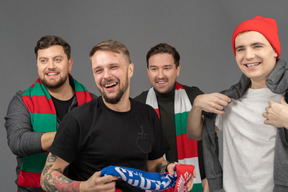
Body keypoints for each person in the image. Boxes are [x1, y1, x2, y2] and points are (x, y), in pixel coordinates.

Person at [40, 40, 194, 192]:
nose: (106, 76)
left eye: (113, 67)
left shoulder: (148, 115)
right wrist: (84, 187)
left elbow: (154, 164)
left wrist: (169, 168)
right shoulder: (78, 120)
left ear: (130, 70)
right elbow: (47, 176)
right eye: (98, 70)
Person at [187, 16, 288, 191]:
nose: (248, 55)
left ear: (274, 50)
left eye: (257, 46)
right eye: (240, 49)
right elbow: (195, 134)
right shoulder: (229, 100)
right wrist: (196, 105)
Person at [4, 35, 95, 191]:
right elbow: (17, 141)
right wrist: (68, 135)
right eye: (43, 60)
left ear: (70, 63)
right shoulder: (23, 100)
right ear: (37, 65)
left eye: (57, 59)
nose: (50, 66)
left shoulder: (92, 102)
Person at [134, 43, 206, 192]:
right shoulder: (138, 104)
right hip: (155, 184)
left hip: (195, 182)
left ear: (177, 69)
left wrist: (209, 178)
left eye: (166, 68)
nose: (160, 75)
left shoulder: (195, 97)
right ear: (147, 71)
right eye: (154, 69)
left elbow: (210, 139)